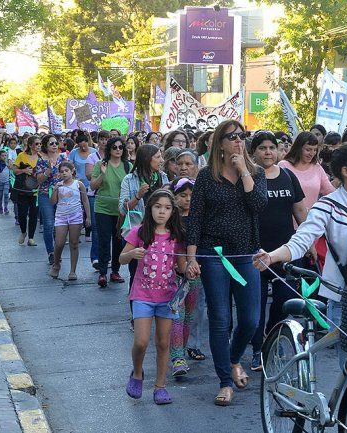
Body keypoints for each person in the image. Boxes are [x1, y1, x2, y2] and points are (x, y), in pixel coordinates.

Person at [253, 141, 347, 361]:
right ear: (346, 171)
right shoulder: (328, 206)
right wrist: (272, 256)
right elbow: (301, 240)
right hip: (344, 297)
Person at [185, 120, 267, 406]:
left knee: (250, 319)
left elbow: (259, 205)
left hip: (245, 254)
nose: (238, 141)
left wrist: (244, 171)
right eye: (231, 137)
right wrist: (192, 256)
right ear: (219, 143)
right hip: (213, 254)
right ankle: (225, 381)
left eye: (242, 136)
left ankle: (233, 359)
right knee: (220, 319)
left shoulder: (255, 172)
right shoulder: (207, 176)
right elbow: (194, 219)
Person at [121, 189, 187, 406]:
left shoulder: (176, 237)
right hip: (142, 295)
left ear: (172, 212)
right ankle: (137, 373)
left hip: (167, 298)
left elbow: (181, 266)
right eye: (158, 207)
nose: (162, 212)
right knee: (140, 342)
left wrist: (191, 268)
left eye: (167, 208)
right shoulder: (139, 233)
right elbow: (121, 259)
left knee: (162, 342)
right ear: (150, 209)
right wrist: (132, 254)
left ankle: (160, 386)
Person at [248, 131, 307, 371]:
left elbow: (301, 213)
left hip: (284, 252)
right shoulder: (248, 178)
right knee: (255, 306)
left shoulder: (288, 177)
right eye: (262, 148)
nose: (268, 152)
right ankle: (256, 349)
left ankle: (271, 341)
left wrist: (309, 242)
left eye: (272, 147)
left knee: (283, 301)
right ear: (254, 152)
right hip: (253, 253)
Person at [168, 177, 207, 377]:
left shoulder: (200, 218)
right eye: (183, 195)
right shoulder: (169, 219)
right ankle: (177, 357)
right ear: (174, 197)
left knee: (190, 316)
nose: (187, 199)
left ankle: (181, 351)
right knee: (177, 314)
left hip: (195, 273)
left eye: (192, 196)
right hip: (172, 275)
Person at [119, 144, 169, 290]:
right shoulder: (129, 179)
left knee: (159, 271)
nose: (161, 160)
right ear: (147, 159)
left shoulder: (163, 177)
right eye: (158, 157)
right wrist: (138, 196)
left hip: (159, 232)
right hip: (137, 233)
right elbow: (123, 209)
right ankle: (137, 306)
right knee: (136, 274)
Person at [91, 137, 132, 287]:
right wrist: (102, 174)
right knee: (103, 240)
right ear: (109, 149)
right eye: (114, 147)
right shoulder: (100, 164)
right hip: (102, 208)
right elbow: (93, 186)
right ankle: (102, 273)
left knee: (119, 241)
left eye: (121, 147)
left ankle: (115, 271)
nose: (118, 150)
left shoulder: (128, 166)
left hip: (121, 210)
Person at [49, 162, 90, 280]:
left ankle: (73, 271)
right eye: (62, 171)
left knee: (74, 243)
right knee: (59, 243)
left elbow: (85, 200)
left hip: (75, 216)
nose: (64, 173)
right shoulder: (58, 185)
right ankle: (56, 264)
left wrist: (88, 217)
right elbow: (52, 202)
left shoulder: (79, 184)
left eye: (66, 170)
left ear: (72, 171)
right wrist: (55, 190)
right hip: (61, 216)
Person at [278, 131, 335, 216]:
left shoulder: (317, 168)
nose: (312, 153)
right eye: (308, 150)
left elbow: (330, 192)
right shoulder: (284, 165)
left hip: (310, 223)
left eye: (315, 150)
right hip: (287, 221)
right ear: (298, 148)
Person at [35, 134, 66, 264]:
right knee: (48, 224)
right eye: (51, 144)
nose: (54, 145)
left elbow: (69, 174)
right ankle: (51, 252)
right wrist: (48, 170)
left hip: (61, 194)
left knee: (59, 225)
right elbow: (39, 179)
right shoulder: (41, 160)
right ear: (46, 146)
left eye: (55, 143)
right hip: (45, 195)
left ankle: (58, 250)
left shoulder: (63, 158)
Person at [85, 130, 109, 267]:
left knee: (109, 229)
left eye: (106, 139)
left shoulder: (114, 156)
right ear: (98, 140)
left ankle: (107, 257)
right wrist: (101, 171)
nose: (104, 142)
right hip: (95, 195)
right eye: (102, 139)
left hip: (110, 195)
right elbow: (89, 176)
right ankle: (95, 257)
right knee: (96, 227)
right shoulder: (92, 157)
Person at [69, 133, 97, 242]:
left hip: (90, 185)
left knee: (88, 208)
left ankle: (88, 231)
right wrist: (74, 177)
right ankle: (77, 230)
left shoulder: (94, 152)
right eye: (80, 145)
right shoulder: (73, 153)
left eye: (85, 144)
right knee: (77, 208)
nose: (83, 147)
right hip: (77, 184)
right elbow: (69, 166)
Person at [12, 136, 40, 246]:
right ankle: (23, 232)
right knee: (22, 214)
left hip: (35, 190)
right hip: (22, 189)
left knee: (33, 213)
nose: (39, 146)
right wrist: (23, 170)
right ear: (30, 145)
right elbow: (14, 170)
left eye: (40, 144)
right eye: (37, 144)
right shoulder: (21, 156)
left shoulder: (41, 157)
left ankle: (31, 238)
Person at [0, 150, 11, 214]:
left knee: (6, 194)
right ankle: (0, 206)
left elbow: (12, 168)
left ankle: (6, 207)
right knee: (0, 195)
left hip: (7, 181)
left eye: (5, 155)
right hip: (0, 181)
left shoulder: (8, 163)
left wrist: (9, 165)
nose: (4, 157)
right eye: (2, 156)